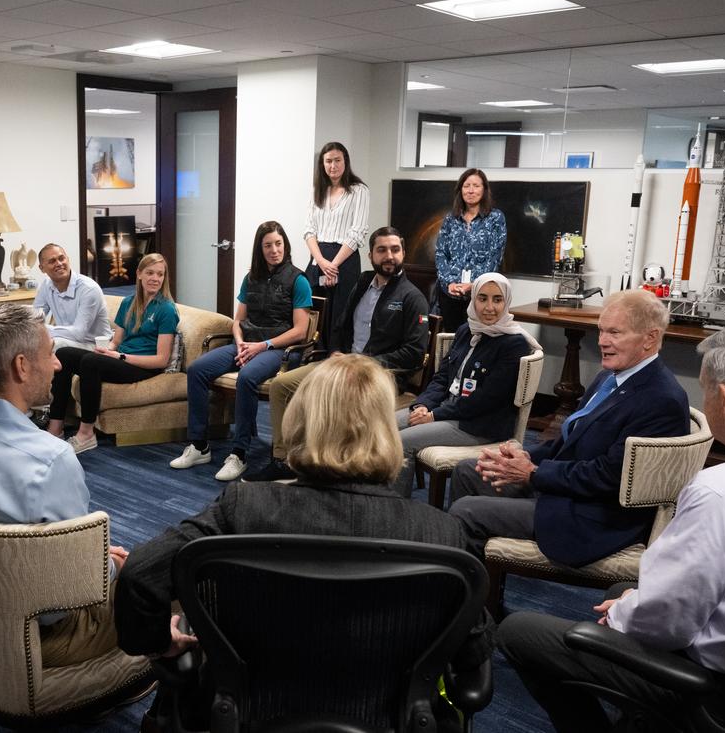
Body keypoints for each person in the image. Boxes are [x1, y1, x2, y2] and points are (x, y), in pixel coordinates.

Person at [497, 321, 725, 733]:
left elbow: (666, 622)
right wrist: (632, 603)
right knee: (621, 592)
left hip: (718, 688)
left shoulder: (723, 493)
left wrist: (624, 616)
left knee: (520, 631)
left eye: (705, 389)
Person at [114, 355, 492, 728]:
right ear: (387, 431)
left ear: (300, 420)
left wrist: (162, 643)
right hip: (387, 717)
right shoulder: (441, 534)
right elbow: (474, 650)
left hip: (248, 713)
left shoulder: (243, 507)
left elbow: (140, 575)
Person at [0, 303, 129, 667]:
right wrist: (106, 564)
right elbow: (78, 590)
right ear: (21, 366)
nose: (59, 364)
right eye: (51, 353)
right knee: (171, 577)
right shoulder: (50, 460)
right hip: (33, 638)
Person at [447, 289, 689, 567]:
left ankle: (468, 596)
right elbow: (569, 440)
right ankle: (477, 579)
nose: (602, 342)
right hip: (566, 489)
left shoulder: (661, 400)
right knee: (467, 471)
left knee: (466, 511)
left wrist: (535, 474)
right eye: (600, 331)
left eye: (614, 333)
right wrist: (527, 457)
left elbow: (609, 478)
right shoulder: (609, 377)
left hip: (593, 514)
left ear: (650, 338)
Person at [244, 227, 429, 483]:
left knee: (333, 398)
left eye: (395, 250)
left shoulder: (412, 297)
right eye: (382, 250)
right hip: (342, 363)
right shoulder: (363, 282)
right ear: (371, 254)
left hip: (379, 374)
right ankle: (284, 461)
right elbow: (340, 325)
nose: (389, 256)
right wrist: (335, 352)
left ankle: (330, 469)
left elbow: (414, 353)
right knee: (281, 386)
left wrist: (363, 363)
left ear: (403, 253)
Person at [171, 221, 312, 482]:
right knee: (197, 370)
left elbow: (301, 331)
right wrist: (239, 342)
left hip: (278, 348)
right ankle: (199, 445)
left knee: (247, 377)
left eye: (278, 244)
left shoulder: (298, 279)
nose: (274, 250)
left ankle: (239, 454)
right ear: (260, 248)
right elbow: (238, 320)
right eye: (268, 245)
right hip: (246, 344)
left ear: (286, 245)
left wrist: (262, 345)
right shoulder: (251, 278)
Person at [394, 272, 539, 497]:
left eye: (497, 299)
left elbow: (485, 400)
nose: (489, 307)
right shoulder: (466, 330)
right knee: (385, 424)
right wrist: (422, 405)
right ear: (473, 300)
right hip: (446, 409)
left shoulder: (514, 344)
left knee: (402, 441)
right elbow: (442, 378)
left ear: (507, 301)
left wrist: (433, 416)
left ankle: (395, 506)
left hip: (476, 424)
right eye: (482, 298)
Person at [49, 253, 178, 455]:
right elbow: (116, 341)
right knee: (64, 354)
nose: (155, 278)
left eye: (160, 274)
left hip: (144, 366)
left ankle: (86, 434)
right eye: (150, 273)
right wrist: (107, 349)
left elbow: (161, 359)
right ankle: (55, 429)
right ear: (139, 275)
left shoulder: (167, 309)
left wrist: (119, 357)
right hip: (121, 359)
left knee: (91, 362)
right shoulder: (128, 303)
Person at [304, 142, 369, 343]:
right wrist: (322, 262)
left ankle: (335, 359)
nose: (333, 166)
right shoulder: (318, 191)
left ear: (345, 162)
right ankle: (311, 355)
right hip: (318, 259)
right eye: (328, 161)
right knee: (312, 311)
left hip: (345, 259)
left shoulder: (359, 190)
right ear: (322, 164)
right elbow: (309, 231)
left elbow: (357, 232)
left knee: (340, 315)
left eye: (337, 160)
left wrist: (333, 266)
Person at [433, 169, 506, 333]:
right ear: (460, 190)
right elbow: (441, 254)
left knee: (476, 340)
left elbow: (495, 257)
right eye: (466, 186)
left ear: (484, 189)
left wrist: (473, 285)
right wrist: (449, 283)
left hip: (480, 293)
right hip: (450, 293)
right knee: (451, 339)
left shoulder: (495, 218)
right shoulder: (450, 219)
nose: (471, 190)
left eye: (476, 186)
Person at [33, 242, 111, 357]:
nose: (59, 264)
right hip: (69, 341)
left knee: (57, 344)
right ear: (42, 268)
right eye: (52, 261)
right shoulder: (46, 285)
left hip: (95, 345)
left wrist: (43, 330)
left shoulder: (88, 289)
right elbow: (35, 318)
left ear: (68, 259)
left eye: (61, 258)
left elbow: (79, 333)